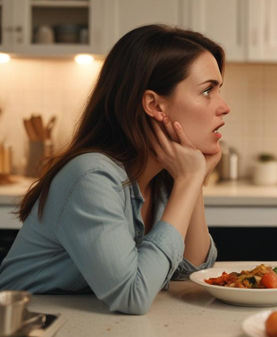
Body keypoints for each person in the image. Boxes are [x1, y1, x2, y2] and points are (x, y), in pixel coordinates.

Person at [0, 24, 230, 315]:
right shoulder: (91, 176)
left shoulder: (160, 176)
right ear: (154, 104)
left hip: (83, 328)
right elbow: (132, 295)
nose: (225, 106)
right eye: (208, 90)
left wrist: (192, 181)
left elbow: (190, 270)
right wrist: (189, 179)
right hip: (24, 335)